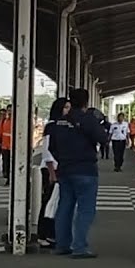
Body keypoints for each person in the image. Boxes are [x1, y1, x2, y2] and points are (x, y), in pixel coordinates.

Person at [48, 88, 107, 258]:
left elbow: (52, 147)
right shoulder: (87, 119)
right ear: (86, 102)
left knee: (64, 207)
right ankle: (79, 247)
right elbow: (103, 139)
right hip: (85, 170)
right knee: (85, 210)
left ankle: (62, 245)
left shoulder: (59, 122)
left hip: (65, 170)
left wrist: (64, 159)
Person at [36, 98, 69, 248]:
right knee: (48, 201)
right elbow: (47, 151)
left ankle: (52, 234)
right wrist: (52, 173)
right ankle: (43, 235)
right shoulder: (51, 126)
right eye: (66, 108)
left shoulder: (65, 126)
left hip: (61, 169)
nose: (68, 111)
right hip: (51, 169)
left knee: (56, 203)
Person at [0, 107, 13, 185]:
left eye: (11, 111)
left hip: (13, 146)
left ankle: (10, 178)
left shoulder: (15, 121)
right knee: (5, 162)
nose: (9, 113)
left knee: (11, 163)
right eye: (8, 111)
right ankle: (7, 176)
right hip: (5, 146)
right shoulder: (3, 121)